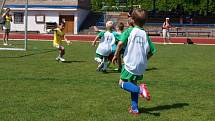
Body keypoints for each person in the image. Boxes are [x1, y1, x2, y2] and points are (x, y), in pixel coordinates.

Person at [112, 9, 156, 115]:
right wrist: (144, 59)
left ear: (133, 19)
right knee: (133, 83)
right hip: (141, 65)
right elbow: (152, 51)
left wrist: (115, 55)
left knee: (122, 83)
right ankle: (135, 109)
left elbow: (120, 44)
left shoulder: (130, 31)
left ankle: (140, 90)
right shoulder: (144, 34)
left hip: (130, 64)